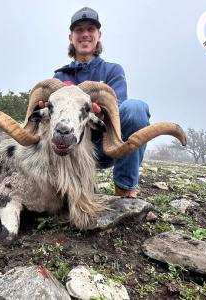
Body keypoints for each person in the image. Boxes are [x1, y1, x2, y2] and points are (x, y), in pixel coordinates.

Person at [51, 7, 150, 198]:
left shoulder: (112, 71)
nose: (85, 34)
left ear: (99, 35)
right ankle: (61, 187)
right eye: (79, 30)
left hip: (103, 147)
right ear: (71, 37)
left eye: (90, 29)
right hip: (69, 148)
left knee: (135, 108)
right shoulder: (60, 76)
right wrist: (47, 109)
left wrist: (100, 111)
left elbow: (118, 108)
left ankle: (125, 191)